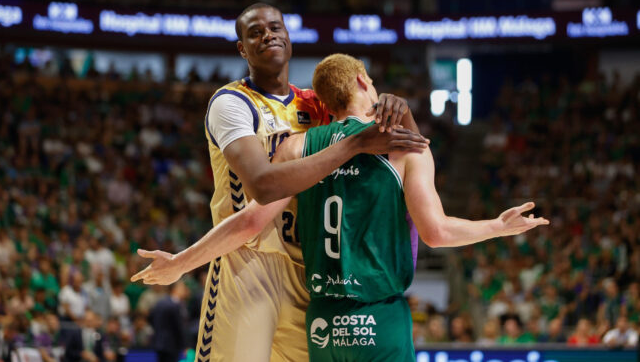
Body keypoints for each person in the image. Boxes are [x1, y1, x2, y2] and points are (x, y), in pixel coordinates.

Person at [132, 53, 549, 361]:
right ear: (365, 81)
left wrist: (182, 262)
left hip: (323, 324)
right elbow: (436, 233)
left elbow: (248, 223)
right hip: (379, 317)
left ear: (324, 103)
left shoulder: (296, 147)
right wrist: (495, 226)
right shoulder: (405, 147)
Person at [162, 3, 427, 362]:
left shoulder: (316, 106)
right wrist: (357, 142)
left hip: (309, 269)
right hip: (250, 259)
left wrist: (399, 110)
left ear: (289, 38)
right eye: (256, 31)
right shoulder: (232, 103)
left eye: (275, 27)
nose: (268, 34)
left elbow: (402, 155)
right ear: (242, 48)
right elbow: (263, 184)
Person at [149, 283, 189, 362]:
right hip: (172, 344)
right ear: (175, 289)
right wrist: (185, 346)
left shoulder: (160, 302)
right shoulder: (175, 305)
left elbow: (151, 319)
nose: (185, 291)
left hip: (158, 342)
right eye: (182, 288)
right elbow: (179, 328)